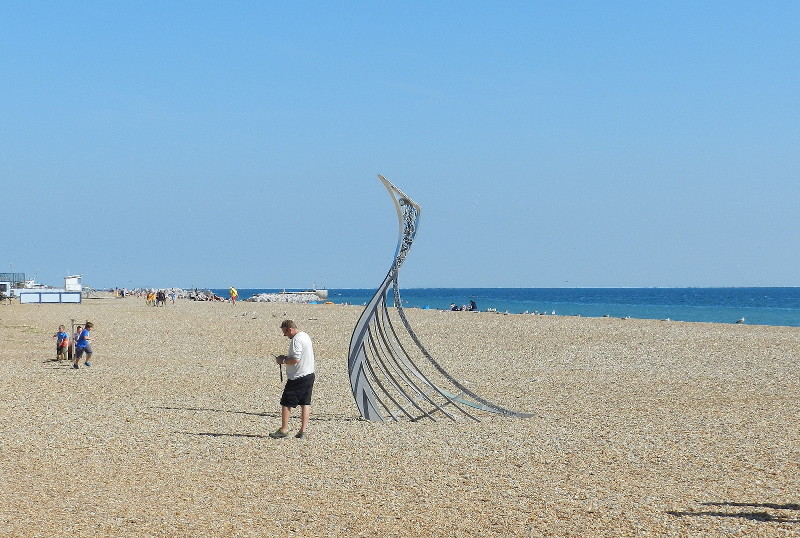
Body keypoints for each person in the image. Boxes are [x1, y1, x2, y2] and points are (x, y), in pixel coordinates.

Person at [270, 320, 315, 439]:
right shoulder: (305, 335)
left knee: (286, 402)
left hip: (297, 376)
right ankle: (302, 431)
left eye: (285, 332)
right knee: (305, 402)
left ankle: (284, 430)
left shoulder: (296, 340)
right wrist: (285, 357)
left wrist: (283, 361)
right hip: (309, 373)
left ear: (289, 329)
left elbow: (296, 359)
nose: (285, 335)